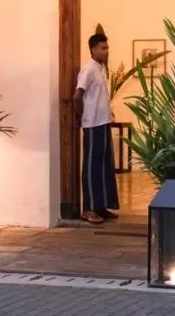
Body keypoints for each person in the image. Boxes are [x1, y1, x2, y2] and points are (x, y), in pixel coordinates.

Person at [73, 33, 120, 224]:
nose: (106, 51)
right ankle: (88, 209)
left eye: (107, 47)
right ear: (93, 50)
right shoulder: (89, 69)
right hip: (92, 124)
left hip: (103, 123)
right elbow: (77, 96)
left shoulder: (101, 69)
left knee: (104, 166)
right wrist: (81, 116)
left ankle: (101, 206)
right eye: (103, 48)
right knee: (92, 166)